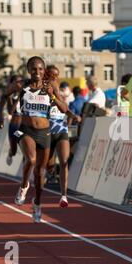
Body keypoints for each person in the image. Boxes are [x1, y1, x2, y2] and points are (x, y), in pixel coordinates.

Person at [4, 56, 68, 223]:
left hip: (45, 132)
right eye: (34, 69)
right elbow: (5, 94)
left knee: (40, 173)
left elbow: (64, 108)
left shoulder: (51, 86)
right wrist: (1, 114)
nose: (37, 72)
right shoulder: (21, 85)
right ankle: (24, 186)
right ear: (28, 70)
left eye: (40, 69)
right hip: (25, 130)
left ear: (44, 70)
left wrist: (52, 96)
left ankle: (37, 203)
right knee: (31, 159)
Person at [46, 66, 81, 208]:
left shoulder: (56, 92)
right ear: (46, 75)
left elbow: (64, 108)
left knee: (64, 161)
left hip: (61, 129)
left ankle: (63, 196)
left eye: (57, 75)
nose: (55, 78)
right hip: (47, 131)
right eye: (52, 75)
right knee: (49, 166)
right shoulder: (41, 91)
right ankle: (50, 171)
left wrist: (72, 115)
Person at [0, 75, 25, 165]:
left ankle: (27, 173)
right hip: (14, 126)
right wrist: (17, 99)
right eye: (16, 82)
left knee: (25, 147)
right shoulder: (10, 95)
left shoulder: (27, 93)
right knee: (14, 150)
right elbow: (10, 111)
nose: (19, 84)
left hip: (23, 127)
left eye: (20, 82)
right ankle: (10, 153)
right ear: (12, 83)